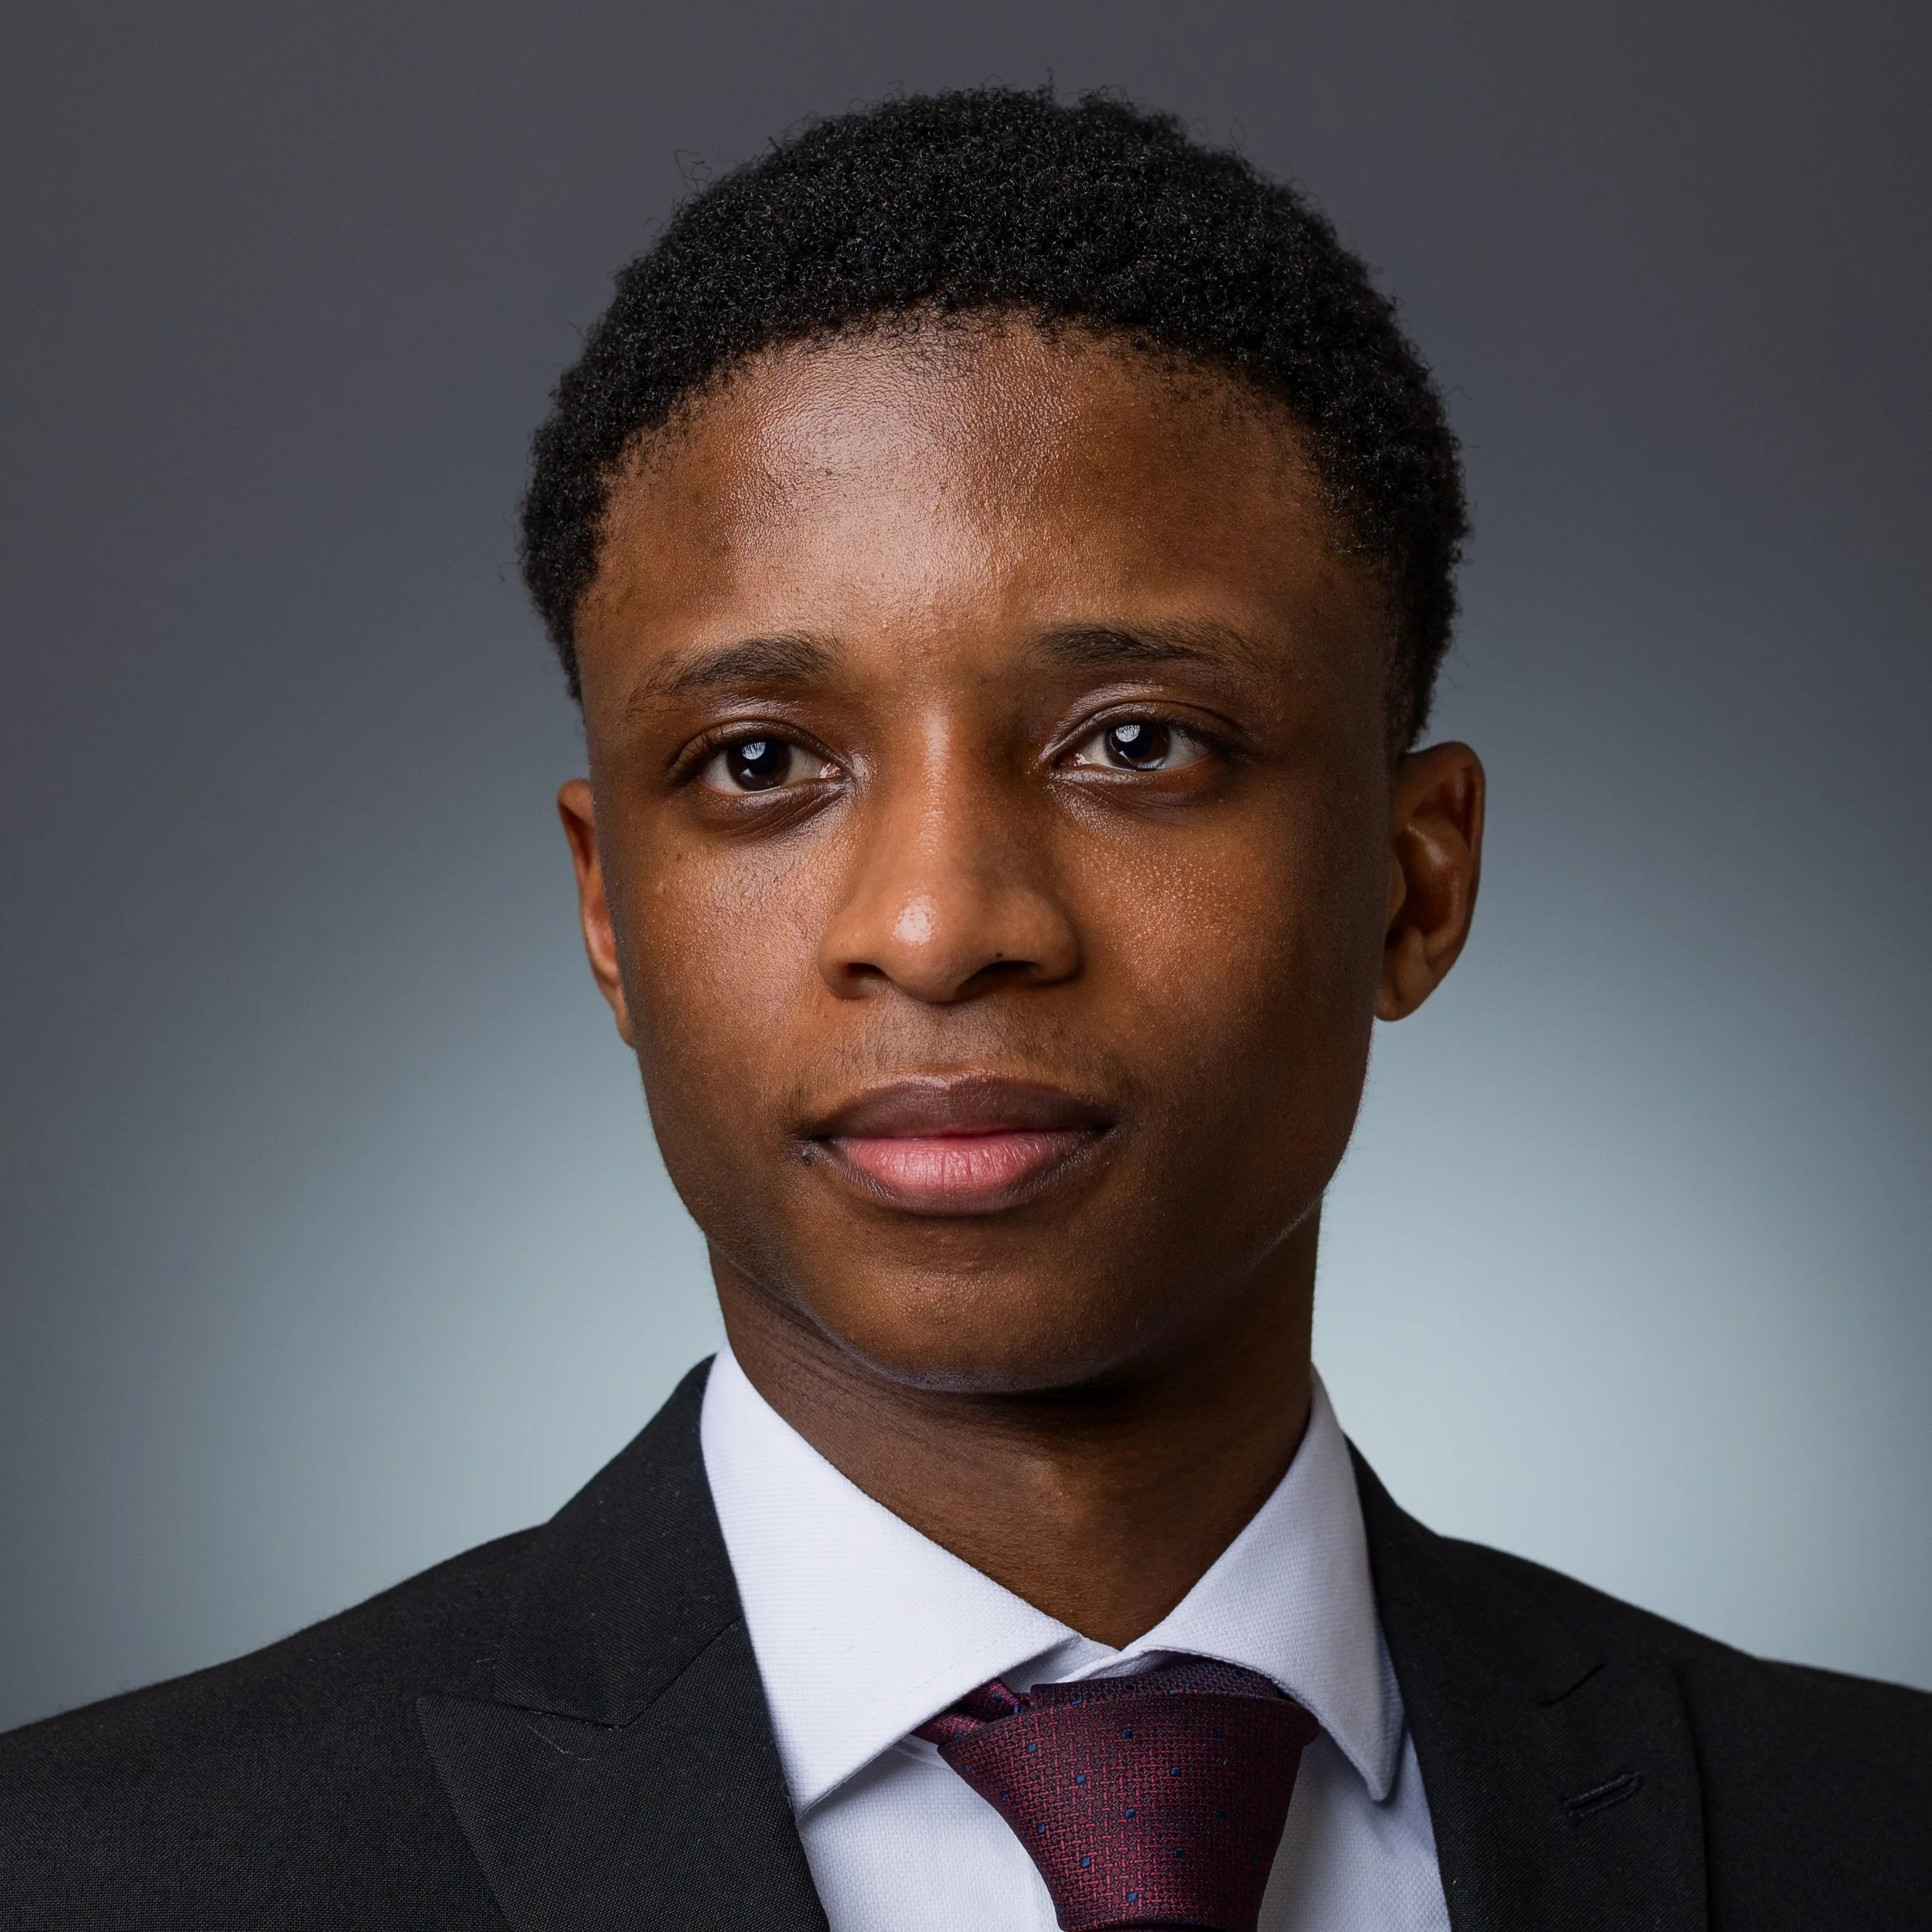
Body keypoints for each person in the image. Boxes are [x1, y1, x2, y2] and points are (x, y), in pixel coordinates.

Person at [2, 86, 1924, 1932]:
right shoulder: (98, 1877)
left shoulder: (1862, 1835)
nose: (934, 925)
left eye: (1135, 741)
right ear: (608, 910)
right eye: (760, 760)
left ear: (1413, 882)